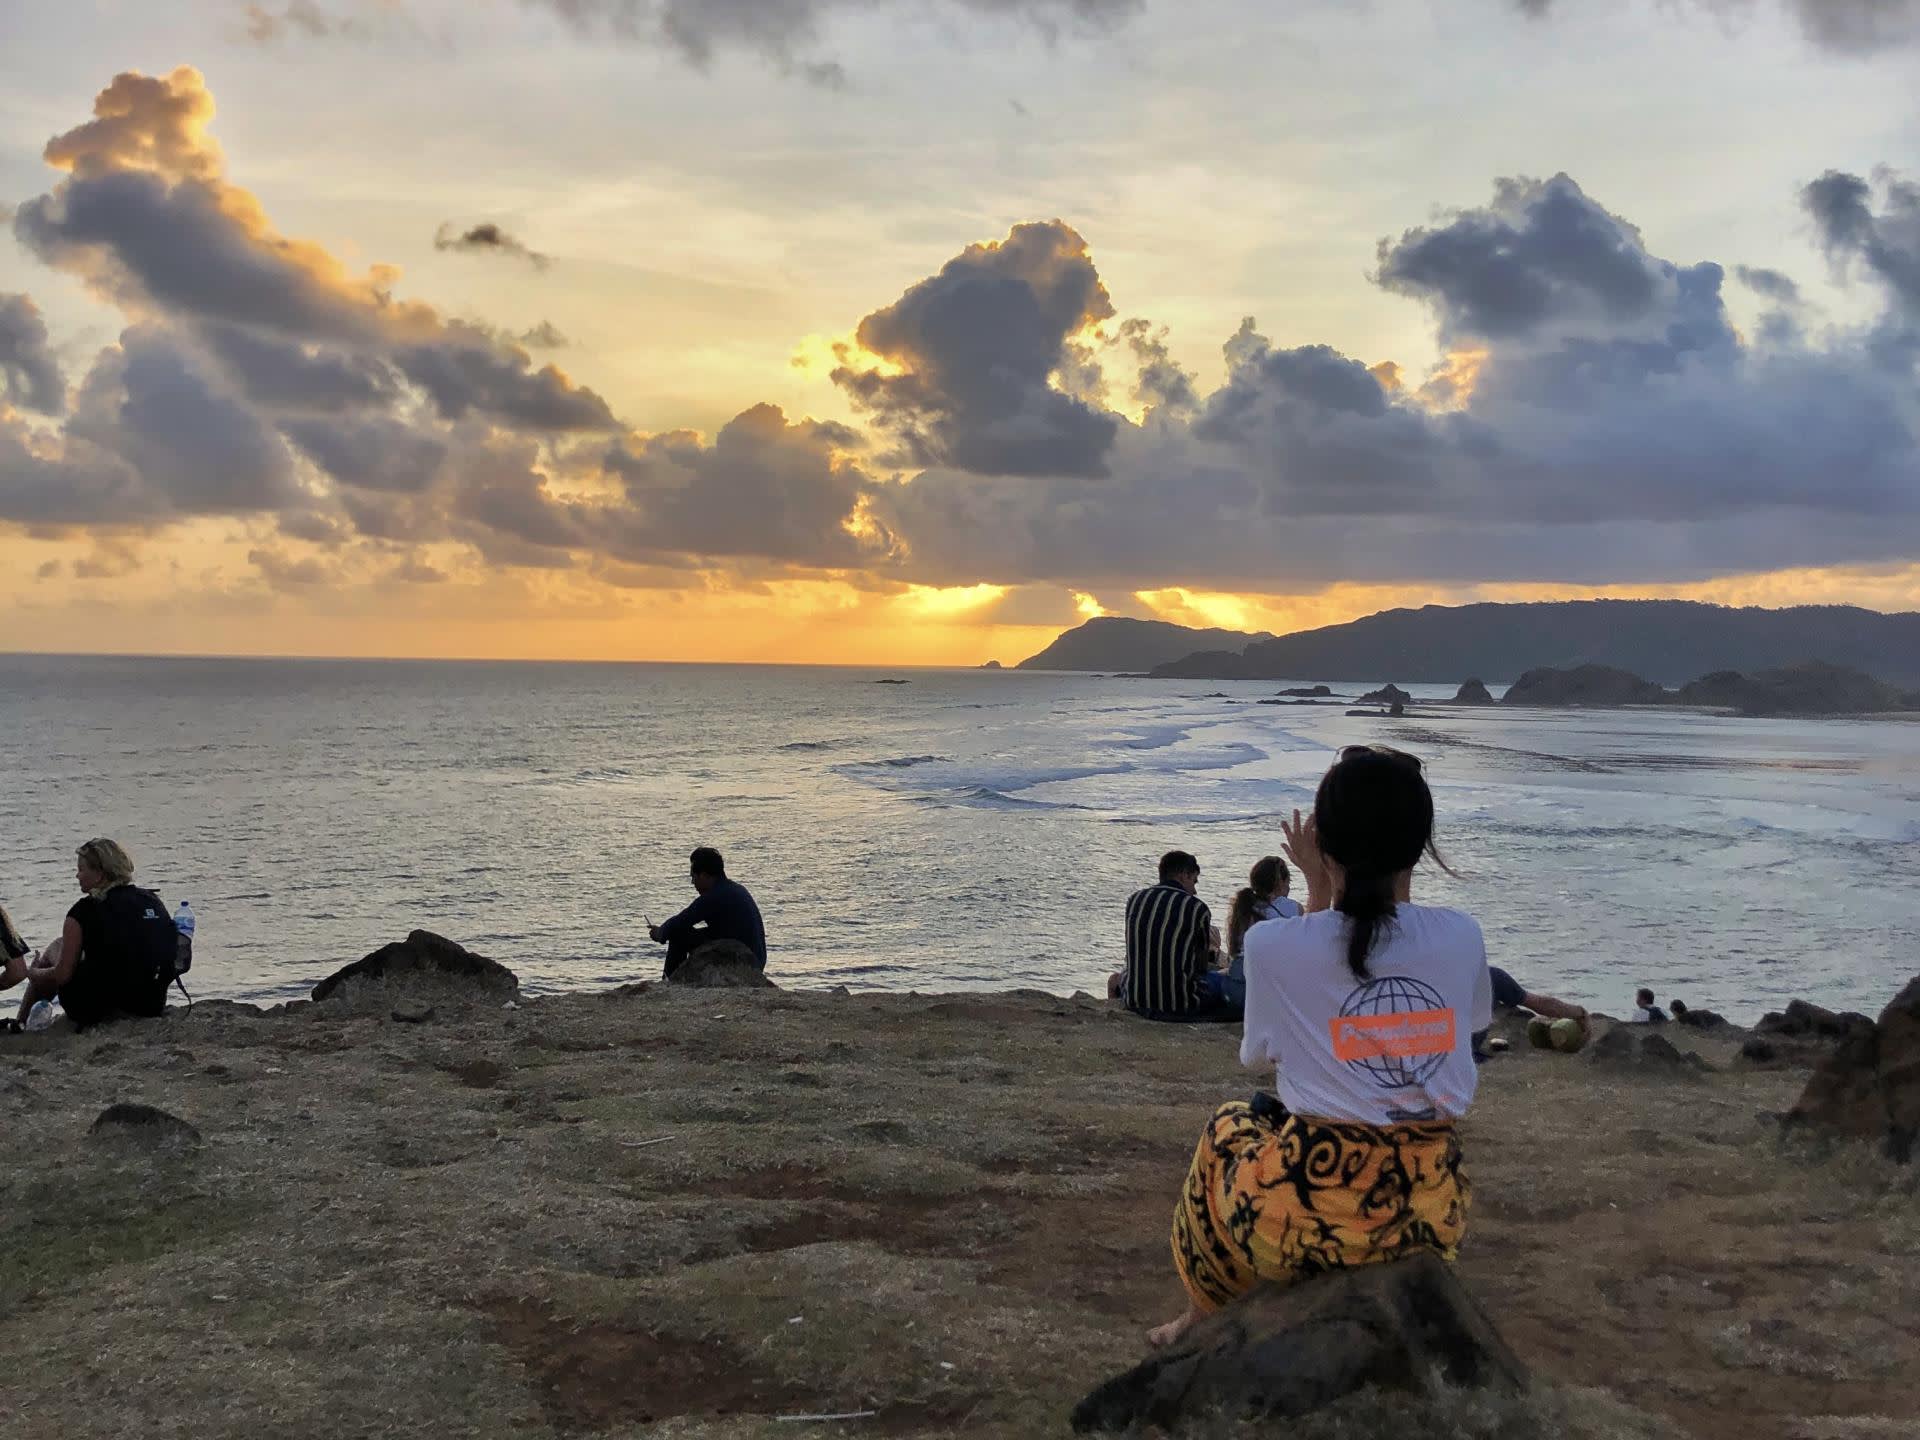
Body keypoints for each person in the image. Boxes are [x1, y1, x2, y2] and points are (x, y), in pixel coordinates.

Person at [1151, 746, 1487, 1348]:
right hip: (1428, 1214)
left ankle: (1198, 1318)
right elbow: (1462, 1023)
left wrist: (1314, 885)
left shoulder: (1273, 944)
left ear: (1324, 845)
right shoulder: (1462, 936)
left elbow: (1262, 1054)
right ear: (1420, 846)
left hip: (1302, 1219)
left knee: (1228, 1127)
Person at [2, 839, 173, 1030]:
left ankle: (21, 1023)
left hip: (96, 1007)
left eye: (81, 869)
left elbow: (62, 975)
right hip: (150, 1003)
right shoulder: (152, 900)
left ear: (99, 874)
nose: (77, 875)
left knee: (55, 949)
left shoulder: (84, 910)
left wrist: (35, 974)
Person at [1114, 850, 1235, 1021]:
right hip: (1181, 1002)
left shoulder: (1135, 900)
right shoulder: (1197, 908)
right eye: (1194, 881)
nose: (1194, 890)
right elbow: (1199, 967)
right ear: (1183, 875)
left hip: (1136, 998)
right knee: (1227, 980)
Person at [648, 847, 766, 979]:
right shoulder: (734, 889)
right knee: (683, 932)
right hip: (755, 958)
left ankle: (669, 981)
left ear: (704, 875)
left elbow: (682, 920)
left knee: (677, 934)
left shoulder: (716, 896)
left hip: (744, 960)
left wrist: (660, 933)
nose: (693, 882)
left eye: (693, 877)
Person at [1219, 856, 1302, 1010]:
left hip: (1235, 991)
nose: (1289, 888)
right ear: (1280, 882)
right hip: (1265, 993)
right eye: (1288, 882)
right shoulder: (1293, 907)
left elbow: (1234, 950)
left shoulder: (1244, 905)